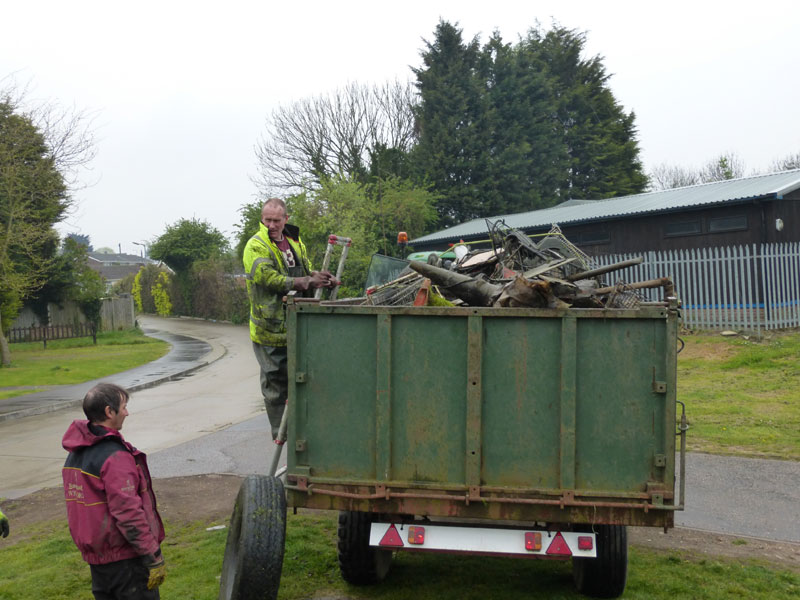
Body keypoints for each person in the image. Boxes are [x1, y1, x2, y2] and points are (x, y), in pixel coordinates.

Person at [243, 197, 336, 440]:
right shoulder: (255, 245)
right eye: (267, 220)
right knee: (275, 385)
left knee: (302, 381)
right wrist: (306, 282)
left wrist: (320, 277)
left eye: (276, 220)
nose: (271, 225)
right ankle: (281, 437)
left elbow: (305, 271)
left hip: (297, 324)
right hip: (270, 329)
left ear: (286, 219)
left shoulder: (294, 242)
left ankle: (304, 436)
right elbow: (268, 278)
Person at [62, 383, 166, 599]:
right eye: (124, 407)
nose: (127, 412)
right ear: (109, 412)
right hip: (126, 562)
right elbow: (128, 513)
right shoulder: (115, 457)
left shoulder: (75, 453)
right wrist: (152, 556)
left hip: (99, 562)